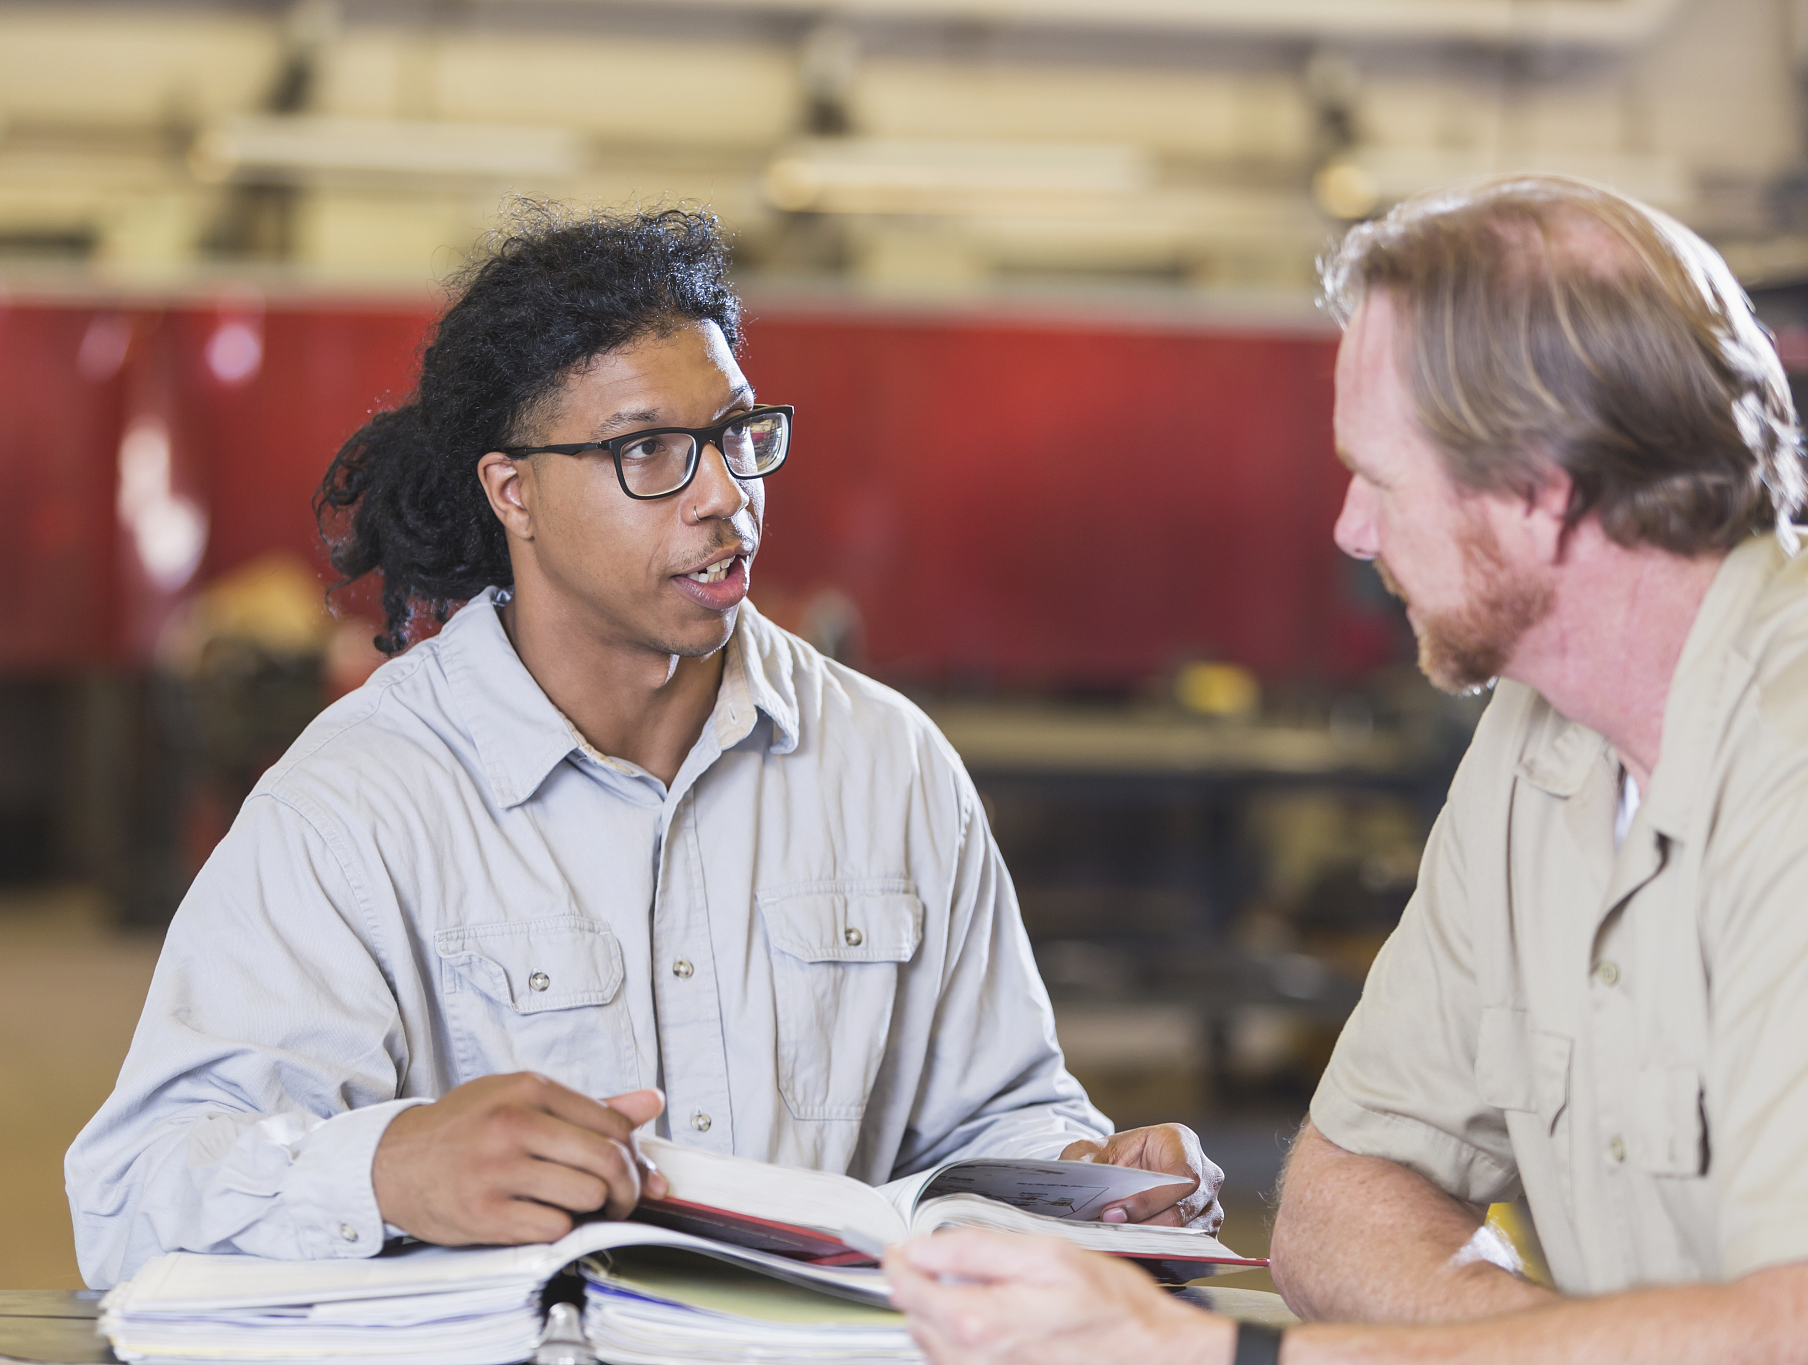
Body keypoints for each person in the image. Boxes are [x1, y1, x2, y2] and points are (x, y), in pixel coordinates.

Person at [65, 204, 1222, 1289]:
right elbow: (132, 1195)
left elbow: (1000, 1116)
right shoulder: (361, 801)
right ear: (512, 491)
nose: (723, 494)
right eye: (649, 452)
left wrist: (1084, 1177)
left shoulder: (888, 767)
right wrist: (387, 1170)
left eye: (733, 435)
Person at [883, 174, 1808, 1363]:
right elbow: (1332, 1203)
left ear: (1539, 488)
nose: (1350, 531)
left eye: (1379, 476)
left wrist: (1222, 1356)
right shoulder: (1539, 739)